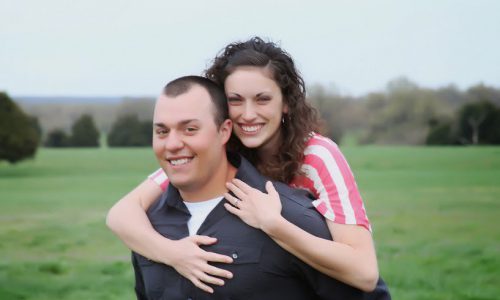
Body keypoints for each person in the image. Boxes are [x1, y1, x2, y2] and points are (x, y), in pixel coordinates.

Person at [107, 37, 385, 294]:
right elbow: (121, 214)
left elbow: (364, 272)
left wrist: (274, 225)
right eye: (235, 100)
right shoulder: (219, 152)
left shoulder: (316, 156)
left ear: (286, 102)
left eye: (262, 99)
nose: (248, 115)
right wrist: (175, 254)